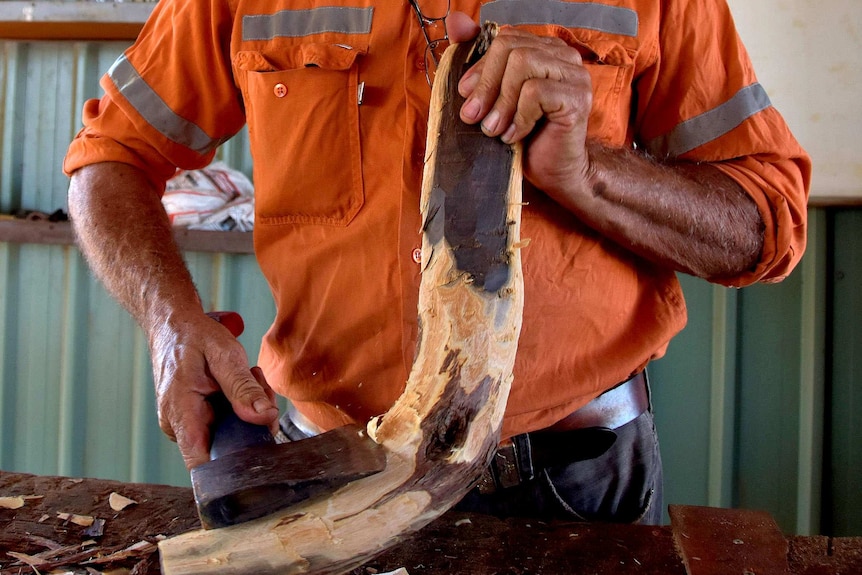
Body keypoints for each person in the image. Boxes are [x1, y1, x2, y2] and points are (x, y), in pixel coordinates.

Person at [64, 0, 810, 526]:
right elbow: (109, 156)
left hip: (572, 482)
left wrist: (589, 173)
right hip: (326, 475)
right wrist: (169, 322)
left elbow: (765, 220)